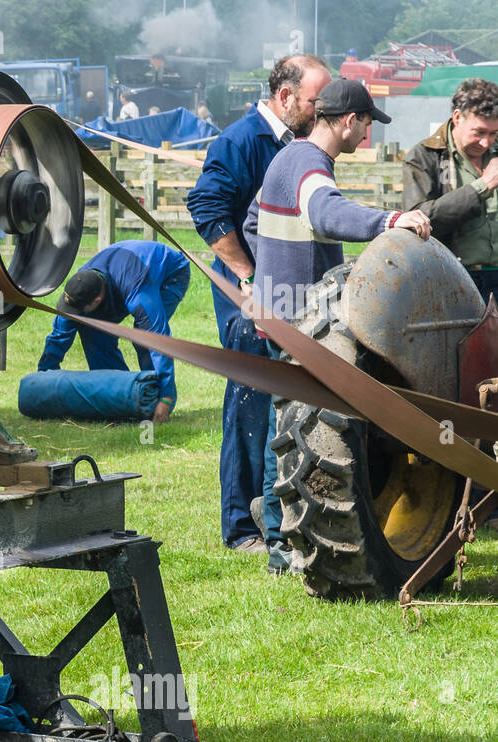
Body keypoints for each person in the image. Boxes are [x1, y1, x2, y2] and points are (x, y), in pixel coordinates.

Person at [244, 77, 431, 575]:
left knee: (278, 432)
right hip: (299, 325)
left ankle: (278, 538)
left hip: (279, 314)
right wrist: (391, 221)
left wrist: (268, 277)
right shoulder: (308, 164)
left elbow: (251, 222)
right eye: (367, 124)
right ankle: (284, 548)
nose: (366, 136)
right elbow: (326, 215)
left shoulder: (287, 158)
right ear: (349, 121)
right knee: (288, 437)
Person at [185, 54, 330, 556]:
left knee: (278, 402)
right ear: (286, 97)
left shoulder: (296, 143)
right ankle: (240, 525)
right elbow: (205, 207)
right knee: (249, 403)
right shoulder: (243, 139)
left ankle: (272, 512)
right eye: (316, 101)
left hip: (280, 294)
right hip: (246, 297)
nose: (322, 110)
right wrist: (248, 279)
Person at [38, 239, 190, 424]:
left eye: (80, 310)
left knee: (143, 337)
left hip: (169, 272)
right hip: (121, 270)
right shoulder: (82, 286)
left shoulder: (138, 292)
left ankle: (156, 402)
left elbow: (158, 341)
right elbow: (60, 334)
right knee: (92, 331)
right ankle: (118, 397)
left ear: (98, 300)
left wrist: (166, 398)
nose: (75, 313)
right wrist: (44, 378)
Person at [403, 77, 498, 303]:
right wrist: (481, 186)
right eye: (479, 132)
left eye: (493, 133)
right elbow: (419, 218)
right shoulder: (424, 156)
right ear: (457, 117)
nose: (486, 142)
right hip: (454, 278)